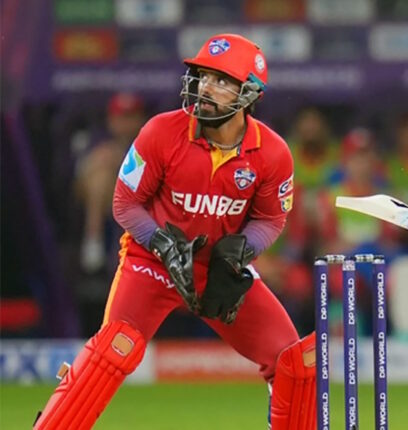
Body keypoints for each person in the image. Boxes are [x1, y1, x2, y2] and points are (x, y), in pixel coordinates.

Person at [34, 34, 315, 430]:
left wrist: (242, 251)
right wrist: (160, 243)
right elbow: (125, 203)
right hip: (153, 262)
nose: (206, 87)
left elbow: (271, 220)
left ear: (249, 93)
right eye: (203, 76)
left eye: (221, 81)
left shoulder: (272, 153)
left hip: (216, 269)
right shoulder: (162, 131)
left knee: (294, 361)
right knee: (114, 348)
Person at [76, 92, 146, 273]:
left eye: (130, 117)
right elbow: (79, 171)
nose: (125, 123)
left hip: (135, 195)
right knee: (100, 178)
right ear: (111, 119)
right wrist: (101, 159)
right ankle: (93, 237)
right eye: (121, 117)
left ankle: (93, 238)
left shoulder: (147, 139)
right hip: (98, 194)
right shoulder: (97, 138)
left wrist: (120, 157)